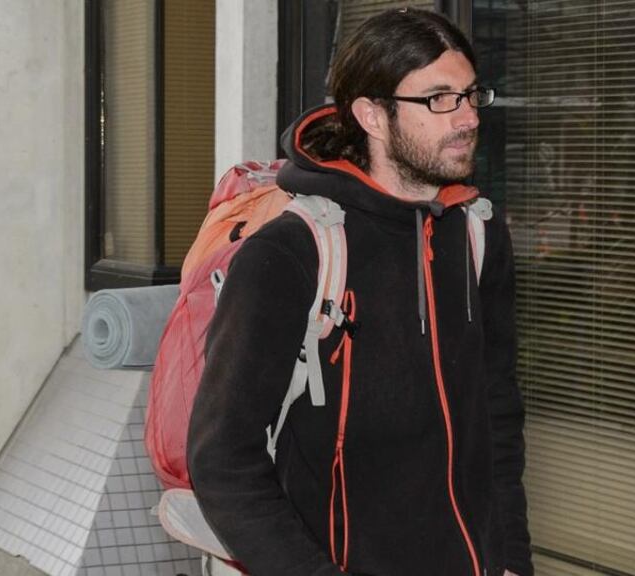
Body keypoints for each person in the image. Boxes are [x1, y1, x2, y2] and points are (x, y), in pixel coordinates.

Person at [187, 8, 532, 576]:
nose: (467, 117)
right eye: (440, 98)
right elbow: (222, 460)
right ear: (373, 114)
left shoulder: (478, 232)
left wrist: (512, 558)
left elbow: (498, 414)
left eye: (472, 95)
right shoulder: (292, 254)